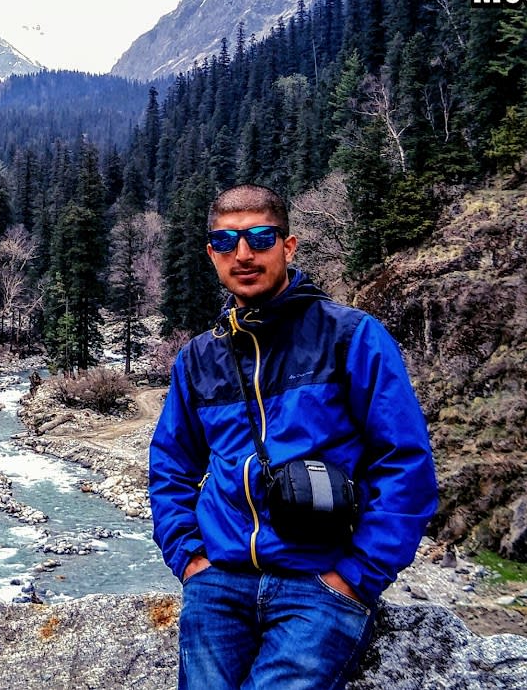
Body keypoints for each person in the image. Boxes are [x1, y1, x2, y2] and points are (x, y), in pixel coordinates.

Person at [148, 184, 438, 690]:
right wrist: (190, 558)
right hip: (219, 579)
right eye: (226, 240)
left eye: (261, 238)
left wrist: (356, 576)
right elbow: (171, 465)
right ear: (210, 252)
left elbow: (406, 463)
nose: (244, 254)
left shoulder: (351, 336)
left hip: (319, 580)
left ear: (289, 245)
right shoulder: (197, 358)